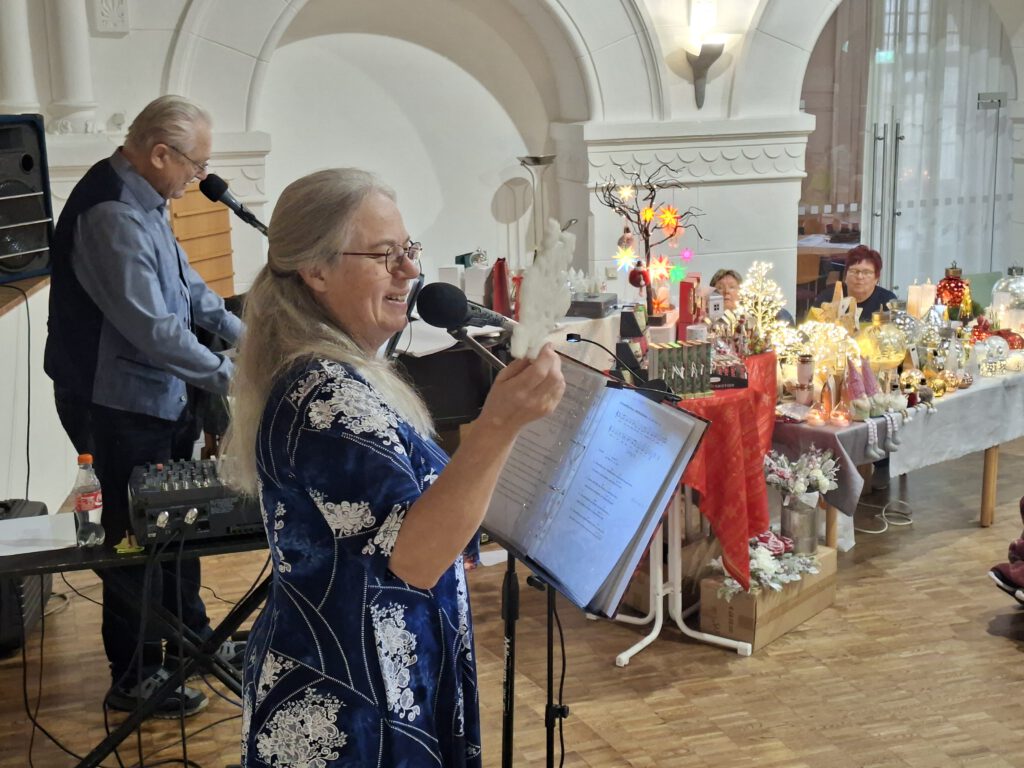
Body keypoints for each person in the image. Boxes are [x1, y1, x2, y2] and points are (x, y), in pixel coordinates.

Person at [224, 168, 565, 766]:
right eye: (385, 255)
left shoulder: (350, 370)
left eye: (408, 250)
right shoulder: (324, 396)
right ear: (317, 270)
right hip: (352, 702)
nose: (409, 271)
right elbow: (412, 557)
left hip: (378, 672)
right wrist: (499, 427)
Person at [44, 95, 244, 717]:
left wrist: (253, 342)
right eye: (194, 164)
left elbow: (192, 294)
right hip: (115, 404)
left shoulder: (148, 200)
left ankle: (192, 644)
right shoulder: (112, 214)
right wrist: (234, 378)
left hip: (155, 394)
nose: (198, 178)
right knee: (135, 539)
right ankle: (135, 674)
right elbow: (154, 330)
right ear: (160, 153)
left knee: (181, 525)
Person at [812, 244, 897, 318]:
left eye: (866, 272)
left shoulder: (887, 301)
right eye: (854, 271)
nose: (859, 277)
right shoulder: (827, 298)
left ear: (877, 278)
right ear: (845, 276)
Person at [709, 267, 794, 324]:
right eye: (720, 288)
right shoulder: (707, 318)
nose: (726, 291)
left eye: (732, 287)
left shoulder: (753, 313)